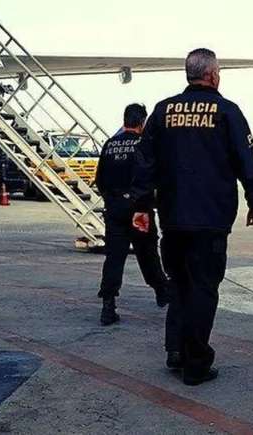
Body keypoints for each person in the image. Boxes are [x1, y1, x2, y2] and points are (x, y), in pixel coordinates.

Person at [130, 49, 253, 385]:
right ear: (213, 74)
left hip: (173, 217)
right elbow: (245, 158)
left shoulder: (162, 111)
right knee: (204, 288)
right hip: (211, 218)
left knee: (180, 284)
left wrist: (141, 207)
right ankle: (195, 363)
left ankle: (175, 350)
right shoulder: (227, 111)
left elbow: (144, 163)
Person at [95, 103, 172, 326]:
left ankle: (108, 306)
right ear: (142, 122)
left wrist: (113, 200)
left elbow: (100, 180)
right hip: (140, 210)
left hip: (115, 210)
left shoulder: (110, 145)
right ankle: (162, 291)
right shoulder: (144, 144)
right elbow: (152, 177)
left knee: (114, 258)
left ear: (125, 120)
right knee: (147, 253)